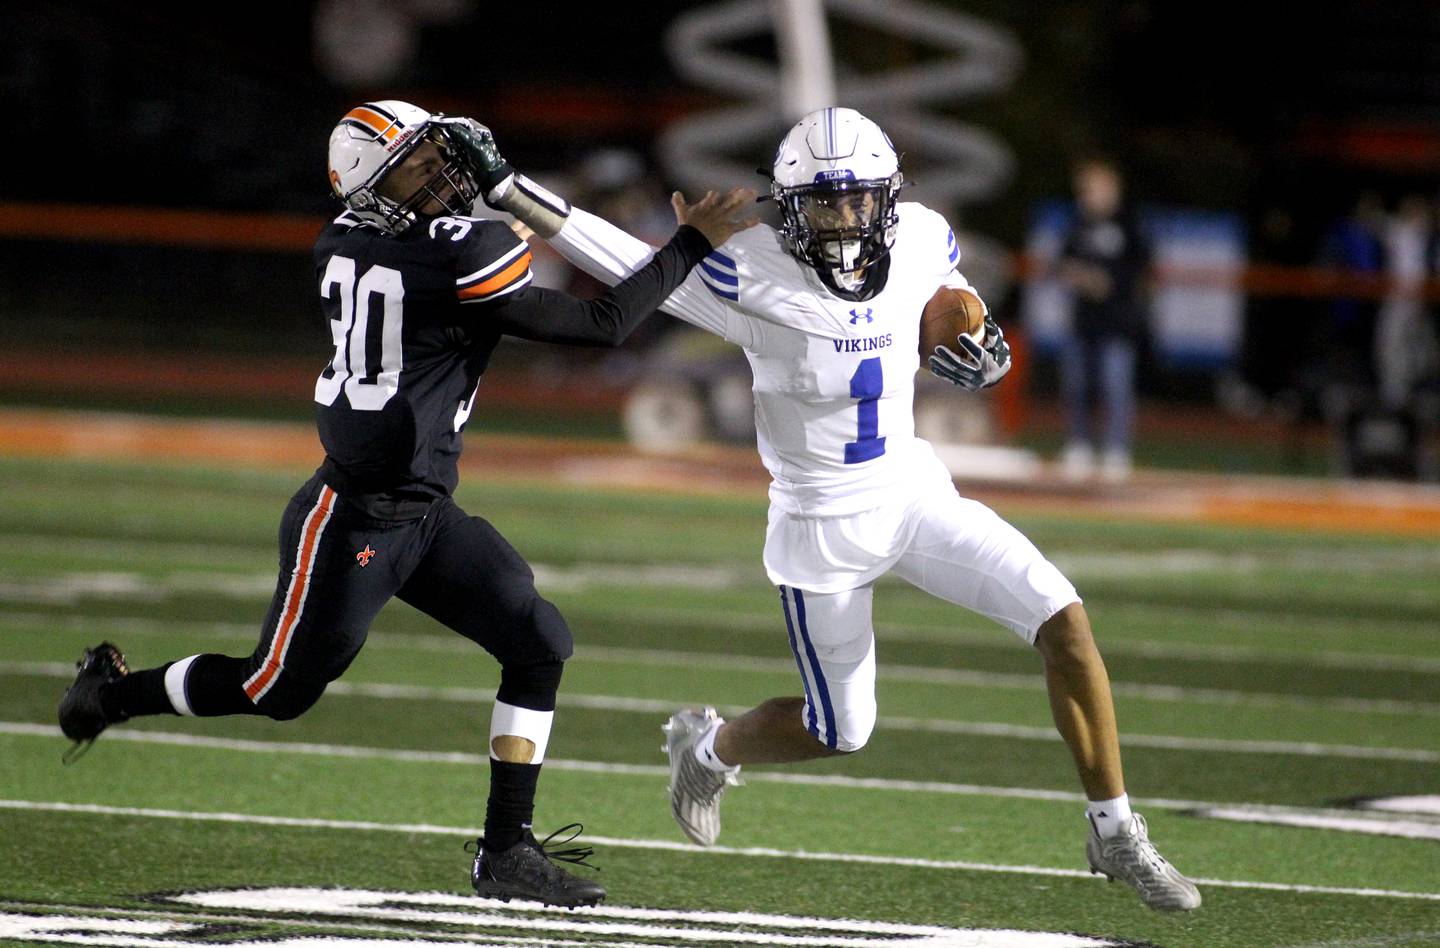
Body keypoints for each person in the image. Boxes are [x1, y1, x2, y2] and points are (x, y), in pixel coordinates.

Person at [462, 107, 1200, 912]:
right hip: (822, 528)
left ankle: (1115, 828)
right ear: (787, 207)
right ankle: (708, 747)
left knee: (1064, 621)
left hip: (915, 494)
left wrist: (976, 330)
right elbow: (612, 252)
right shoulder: (748, 273)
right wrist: (505, 189)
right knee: (840, 731)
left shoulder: (920, 235)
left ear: (886, 199)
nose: (843, 221)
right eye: (821, 204)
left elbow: (952, 295)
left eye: (857, 202)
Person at [56, 99, 756, 908]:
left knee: (538, 640)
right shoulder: (451, 252)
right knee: (275, 692)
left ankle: (506, 852)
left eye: (437, 158)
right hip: (352, 516)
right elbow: (601, 325)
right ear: (373, 190)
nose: (442, 175)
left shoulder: (358, 239)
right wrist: (690, 247)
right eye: (418, 167)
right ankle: (111, 694)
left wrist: (496, 198)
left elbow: (459, 259)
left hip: (425, 510)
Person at [1055, 157, 1152, 483]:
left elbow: (1143, 271)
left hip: (1118, 324)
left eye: (1096, 189)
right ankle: (1079, 445)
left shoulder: (1130, 224)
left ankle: (1116, 449)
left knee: (1116, 387)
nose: (1089, 196)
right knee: (1077, 385)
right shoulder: (1077, 224)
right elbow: (1061, 264)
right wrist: (1082, 278)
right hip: (1083, 322)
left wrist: (1111, 285)